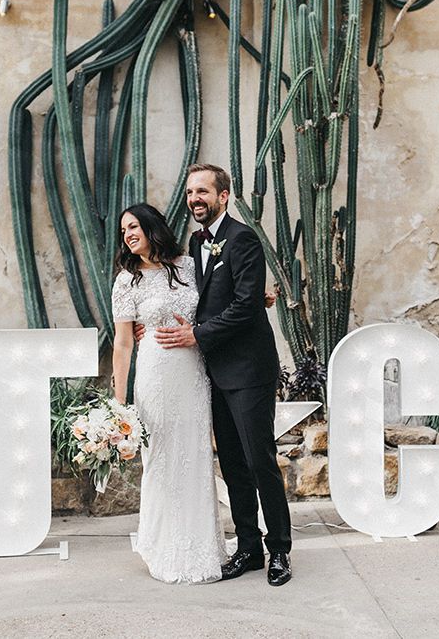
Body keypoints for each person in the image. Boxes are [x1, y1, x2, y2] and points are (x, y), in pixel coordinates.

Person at [155, 163, 292, 586]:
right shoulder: (196, 243)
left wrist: (195, 334)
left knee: (259, 460)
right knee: (232, 464)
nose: (195, 198)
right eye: (191, 192)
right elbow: (195, 297)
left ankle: (280, 551)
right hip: (212, 372)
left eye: (203, 191)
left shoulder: (242, 238)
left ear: (223, 196)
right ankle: (248, 547)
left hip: (249, 370)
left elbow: (246, 304)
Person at [111, 203, 226, 584]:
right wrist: (120, 402)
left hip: (192, 372)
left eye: (133, 226)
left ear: (151, 227)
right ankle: (162, 546)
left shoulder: (189, 265)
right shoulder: (127, 281)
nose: (127, 234)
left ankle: (203, 545)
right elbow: (124, 344)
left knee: (193, 456)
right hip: (155, 376)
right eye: (123, 230)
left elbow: (216, 304)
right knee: (160, 459)